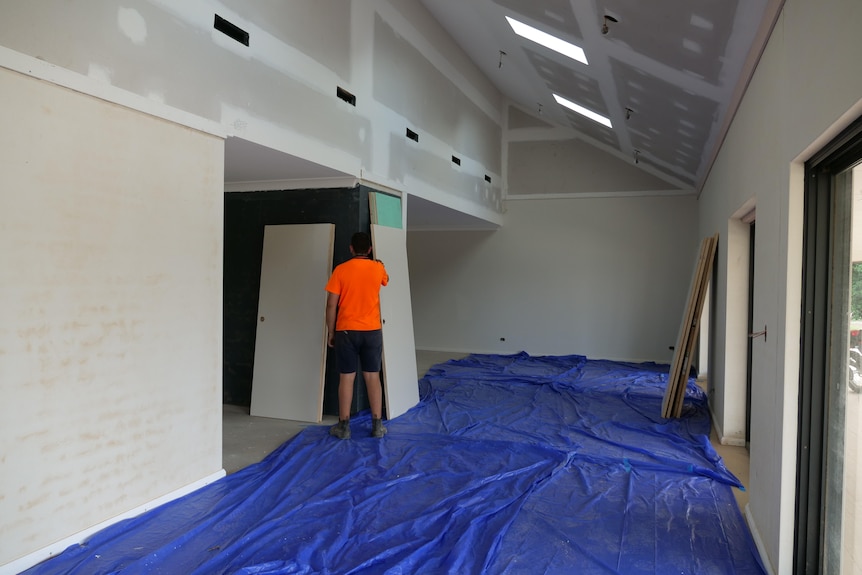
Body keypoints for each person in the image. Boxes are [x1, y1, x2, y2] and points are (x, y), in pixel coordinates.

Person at [325, 231, 389, 439]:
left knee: (346, 378)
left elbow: (331, 304)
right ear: (369, 249)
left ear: (351, 248)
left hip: (346, 330)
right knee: (372, 377)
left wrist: (331, 331)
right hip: (372, 331)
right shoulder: (377, 268)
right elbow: (385, 280)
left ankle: (343, 427)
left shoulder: (341, 270)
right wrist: (378, 263)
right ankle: (377, 426)